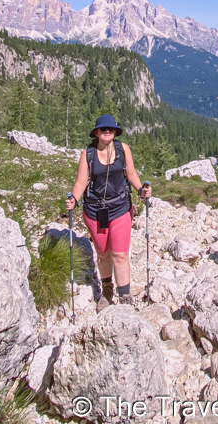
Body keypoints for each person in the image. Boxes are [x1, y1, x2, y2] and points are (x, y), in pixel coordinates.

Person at [66, 114, 152, 311]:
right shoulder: (88, 154)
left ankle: (125, 296)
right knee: (103, 253)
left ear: (114, 132)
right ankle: (107, 291)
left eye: (110, 130)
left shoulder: (123, 150)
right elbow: (81, 182)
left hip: (120, 208)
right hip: (95, 211)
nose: (107, 132)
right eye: (103, 130)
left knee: (120, 254)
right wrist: (74, 199)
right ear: (96, 133)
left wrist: (141, 190)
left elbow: (131, 174)